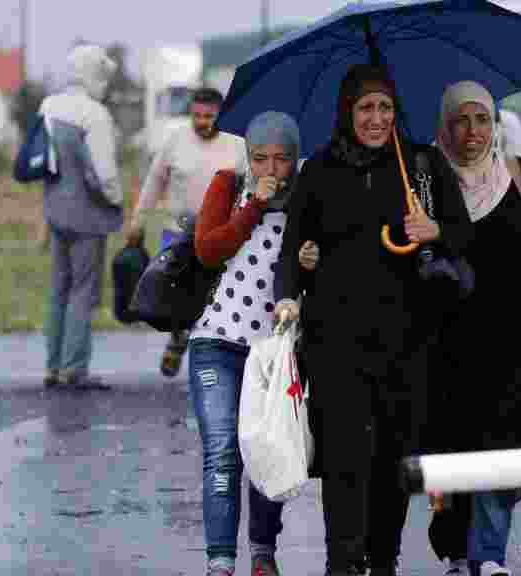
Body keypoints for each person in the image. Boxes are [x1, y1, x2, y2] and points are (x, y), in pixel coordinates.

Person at [273, 64, 474, 576]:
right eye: (366, 107)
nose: (377, 118)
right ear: (348, 111)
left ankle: (384, 561)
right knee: (343, 459)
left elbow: (464, 235)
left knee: (392, 458)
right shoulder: (319, 169)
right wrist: (290, 289)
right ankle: (342, 563)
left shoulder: (422, 165)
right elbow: (293, 245)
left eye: (385, 107)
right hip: (335, 341)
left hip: (408, 342)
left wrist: (435, 231)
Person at [428, 80, 521, 576]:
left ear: (496, 125)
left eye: (482, 120)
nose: (472, 132)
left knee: (503, 449)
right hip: (445, 345)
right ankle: (456, 553)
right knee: (453, 452)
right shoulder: (426, 181)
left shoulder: (518, 176)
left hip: (514, 343)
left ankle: (489, 555)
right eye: (461, 120)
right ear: (445, 126)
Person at [187, 110, 301, 576]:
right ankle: (220, 562)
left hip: (270, 349)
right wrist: (253, 204)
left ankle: (262, 554)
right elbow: (208, 248)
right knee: (222, 450)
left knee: (265, 450)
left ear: (295, 159)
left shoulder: (307, 197)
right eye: (260, 158)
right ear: (247, 156)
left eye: (281, 159)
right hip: (216, 340)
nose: (270, 170)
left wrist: (309, 261)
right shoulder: (228, 184)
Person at [126, 87, 245, 378]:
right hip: (178, 231)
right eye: (197, 116)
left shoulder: (236, 144)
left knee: (212, 296)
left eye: (209, 116)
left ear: (222, 114)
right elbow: (155, 181)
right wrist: (138, 220)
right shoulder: (175, 140)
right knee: (178, 294)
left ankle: (209, 352)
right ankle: (177, 340)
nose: (202, 122)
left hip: (219, 231)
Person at [39, 44, 124, 389]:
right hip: (88, 214)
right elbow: (104, 174)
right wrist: (117, 201)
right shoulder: (94, 114)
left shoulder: (48, 106)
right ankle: (74, 368)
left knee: (58, 287)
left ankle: (52, 365)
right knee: (83, 290)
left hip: (55, 208)